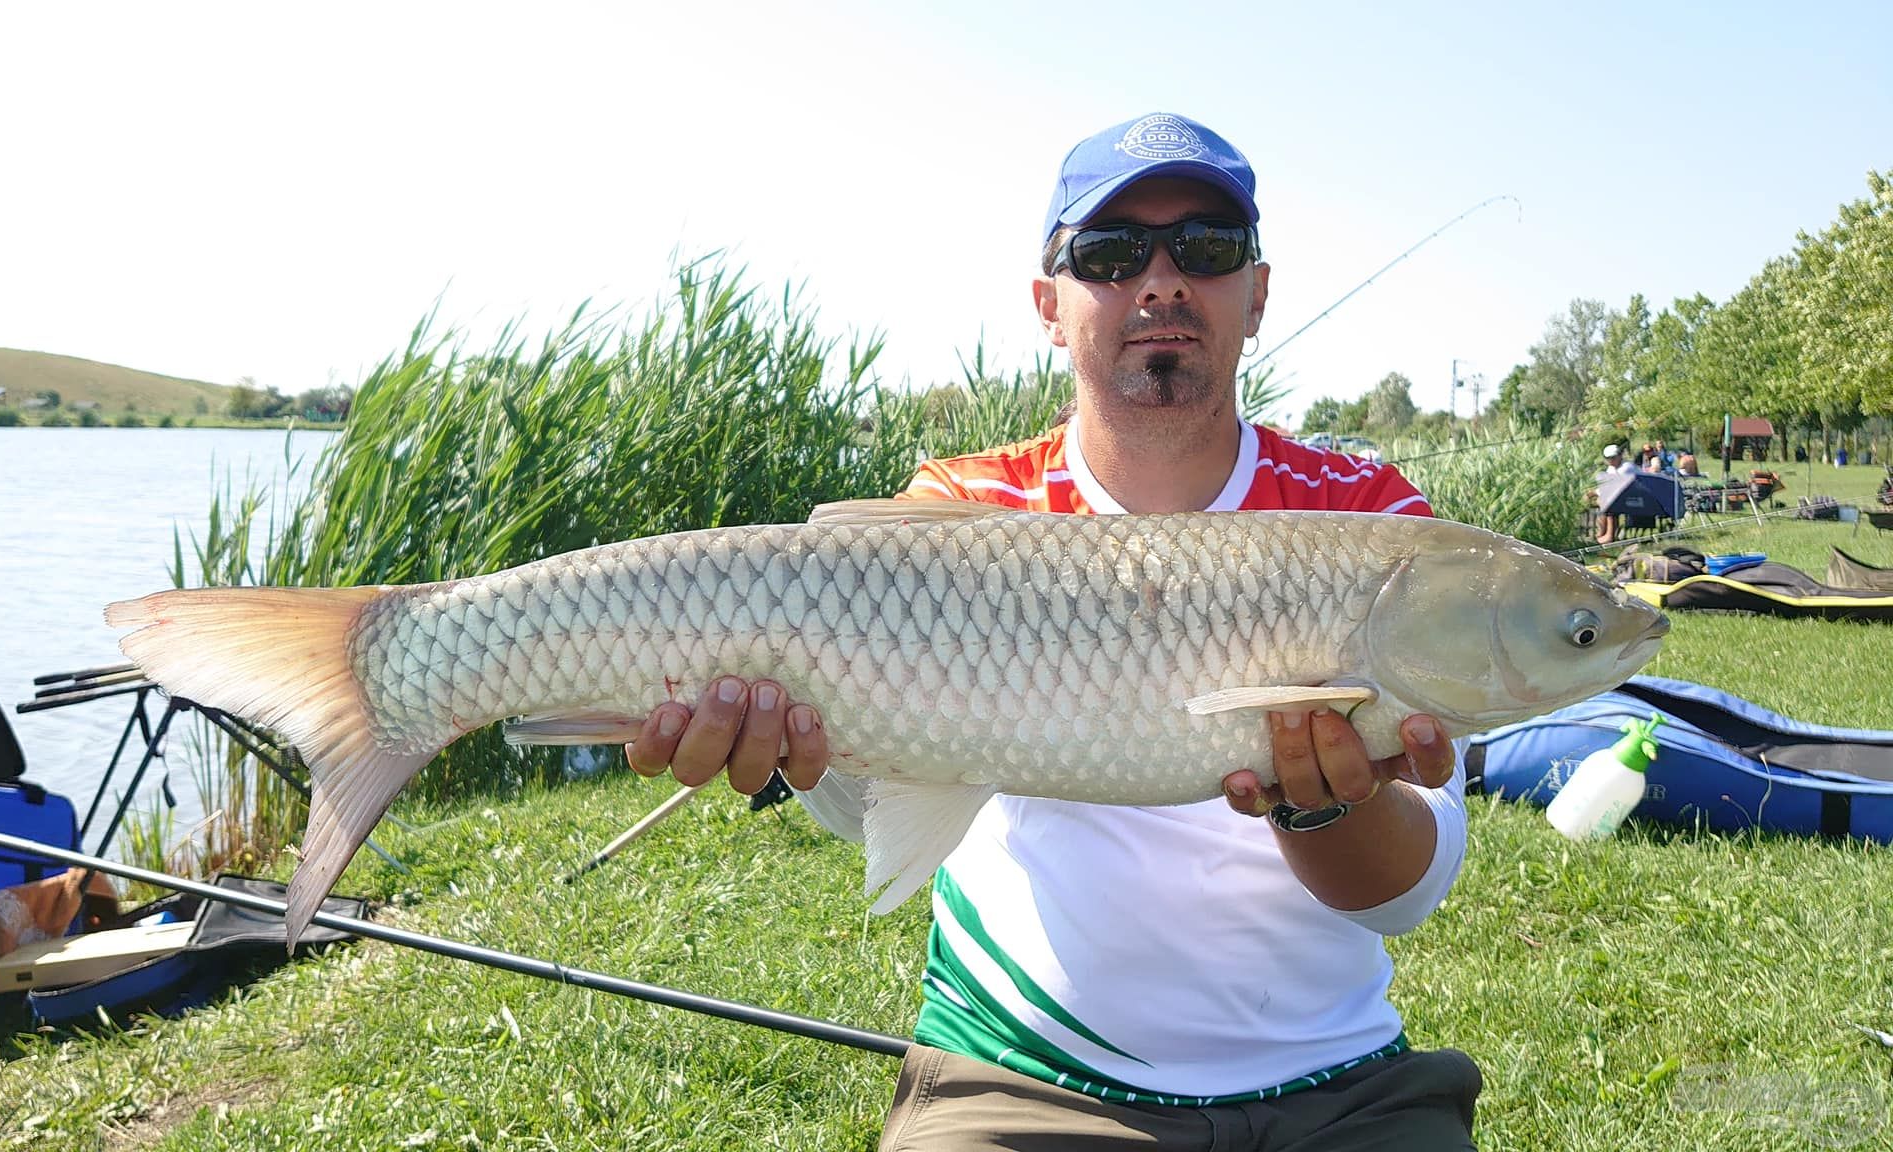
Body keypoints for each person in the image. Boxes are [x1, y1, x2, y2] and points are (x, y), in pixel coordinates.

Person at [622, 111, 1481, 1149]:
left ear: (1255, 293)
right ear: (1048, 301)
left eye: (1204, 249)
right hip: (1018, 1080)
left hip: (1338, 1084)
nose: (1159, 283)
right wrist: (788, 757)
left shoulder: (1375, 526)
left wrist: (1317, 807)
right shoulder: (957, 506)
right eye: (1110, 254)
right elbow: (872, 808)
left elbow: (1404, 895)